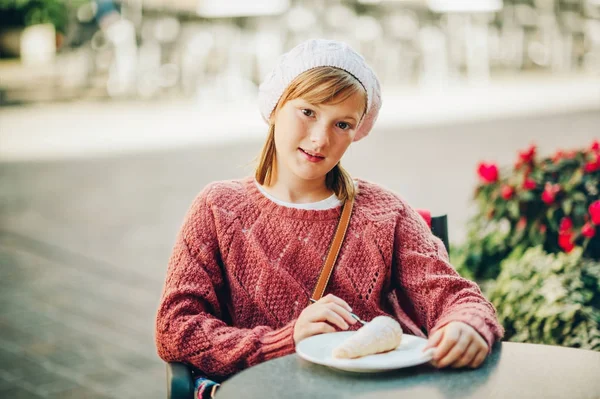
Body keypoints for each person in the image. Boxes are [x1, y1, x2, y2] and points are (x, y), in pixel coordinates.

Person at [155, 38, 504, 398]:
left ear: (358, 132)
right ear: (276, 107)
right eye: (308, 112)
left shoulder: (386, 212)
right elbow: (175, 329)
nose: (320, 139)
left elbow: (457, 296)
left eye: (342, 124)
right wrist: (283, 341)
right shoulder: (217, 208)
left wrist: (467, 325)